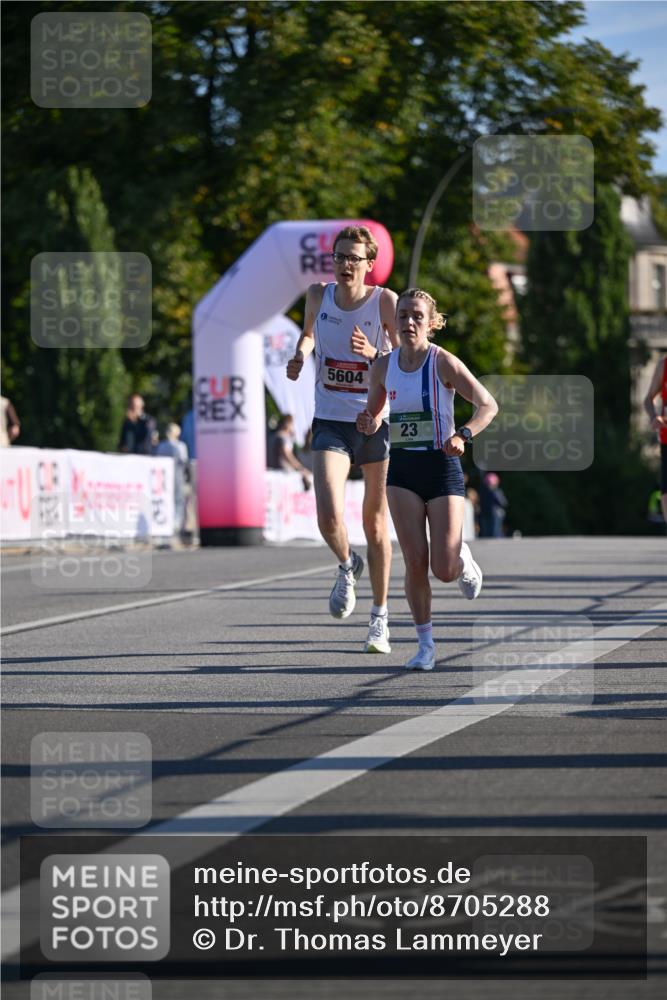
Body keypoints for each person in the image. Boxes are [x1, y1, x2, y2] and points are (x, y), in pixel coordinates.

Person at [357, 288, 498, 671]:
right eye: (402, 315)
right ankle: (425, 645)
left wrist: (463, 435)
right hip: (401, 468)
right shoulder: (383, 366)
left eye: (417, 316)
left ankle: (462, 558)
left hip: (441, 465)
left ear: (431, 323)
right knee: (414, 562)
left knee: (444, 568)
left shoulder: (443, 363)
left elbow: (488, 405)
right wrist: (368, 421)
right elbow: (373, 410)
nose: (409, 323)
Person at [286, 225, 399, 653]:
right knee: (329, 515)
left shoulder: (384, 301)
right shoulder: (319, 294)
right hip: (330, 418)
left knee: (374, 524)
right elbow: (310, 332)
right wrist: (301, 354)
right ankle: (346, 563)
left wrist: (373, 356)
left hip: (372, 421)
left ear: (369, 265)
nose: (345, 264)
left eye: (354, 258)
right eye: (339, 257)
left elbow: (403, 358)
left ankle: (380, 619)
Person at [643, 354, 667, 524]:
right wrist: (654, 417)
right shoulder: (663, 365)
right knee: (666, 493)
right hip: (666, 439)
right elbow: (648, 399)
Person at [156, 423, 189, 535]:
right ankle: (176, 523)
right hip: (177, 475)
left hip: (164, 477)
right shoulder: (180, 446)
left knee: (168, 498)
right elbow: (184, 461)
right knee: (178, 499)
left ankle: (169, 522)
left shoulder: (161, 446)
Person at [267, 413, 313, 491]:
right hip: (283, 475)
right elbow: (287, 455)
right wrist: (301, 468)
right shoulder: (283, 437)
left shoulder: (272, 436)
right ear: (288, 424)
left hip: (272, 474)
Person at [479, 472, 508, 538]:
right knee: (495, 532)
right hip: (495, 514)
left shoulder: (482, 491)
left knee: (486, 532)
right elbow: (503, 503)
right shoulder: (496, 491)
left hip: (484, 513)